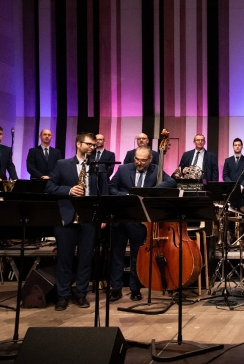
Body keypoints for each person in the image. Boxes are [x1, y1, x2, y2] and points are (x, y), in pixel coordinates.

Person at [108, 146, 176, 302]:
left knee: (136, 256)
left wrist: (150, 191)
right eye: (137, 159)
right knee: (117, 255)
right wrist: (127, 195)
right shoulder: (123, 169)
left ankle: (135, 289)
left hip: (139, 221)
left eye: (143, 160)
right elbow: (111, 188)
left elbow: (171, 182)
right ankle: (116, 288)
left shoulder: (155, 170)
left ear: (150, 159)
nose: (139, 162)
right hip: (121, 218)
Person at [45, 133, 102, 311]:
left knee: (85, 259)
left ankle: (81, 294)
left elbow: (103, 191)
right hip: (66, 217)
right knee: (64, 259)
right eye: (88, 144)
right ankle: (63, 295)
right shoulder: (62, 164)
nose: (91, 147)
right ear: (78, 144)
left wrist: (101, 216)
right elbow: (49, 187)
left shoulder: (97, 166)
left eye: (93, 145)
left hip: (88, 218)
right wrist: (69, 190)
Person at [222, 138, 244, 207]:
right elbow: (225, 175)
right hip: (230, 192)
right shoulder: (228, 160)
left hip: (243, 191)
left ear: (241, 146)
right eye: (235, 145)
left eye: (239, 145)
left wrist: (242, 185)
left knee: (242, 211)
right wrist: (232, 185)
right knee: (231, 212)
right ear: (233, 147)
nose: (237, 146)